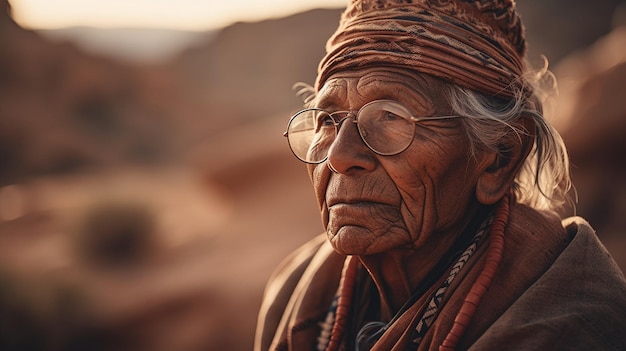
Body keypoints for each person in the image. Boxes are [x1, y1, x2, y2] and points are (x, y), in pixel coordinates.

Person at [254, 0, 626, 350]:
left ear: (498, 159)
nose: (339, 156)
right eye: (327, 121)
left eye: (390, 117)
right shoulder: (298, 288)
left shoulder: (574, 328)